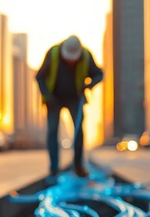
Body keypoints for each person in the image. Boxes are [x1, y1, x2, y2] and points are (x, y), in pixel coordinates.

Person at [35, 35, 103, 178]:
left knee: (78, 131)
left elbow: (99, 74)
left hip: (75, 98)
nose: (71, 62)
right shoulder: (53, 54)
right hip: (54, 98)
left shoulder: (85, 56)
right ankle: (54, 168)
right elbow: (40, 77)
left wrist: (88, 85)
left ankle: (78, 165)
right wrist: (47, 95)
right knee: (52, 131)